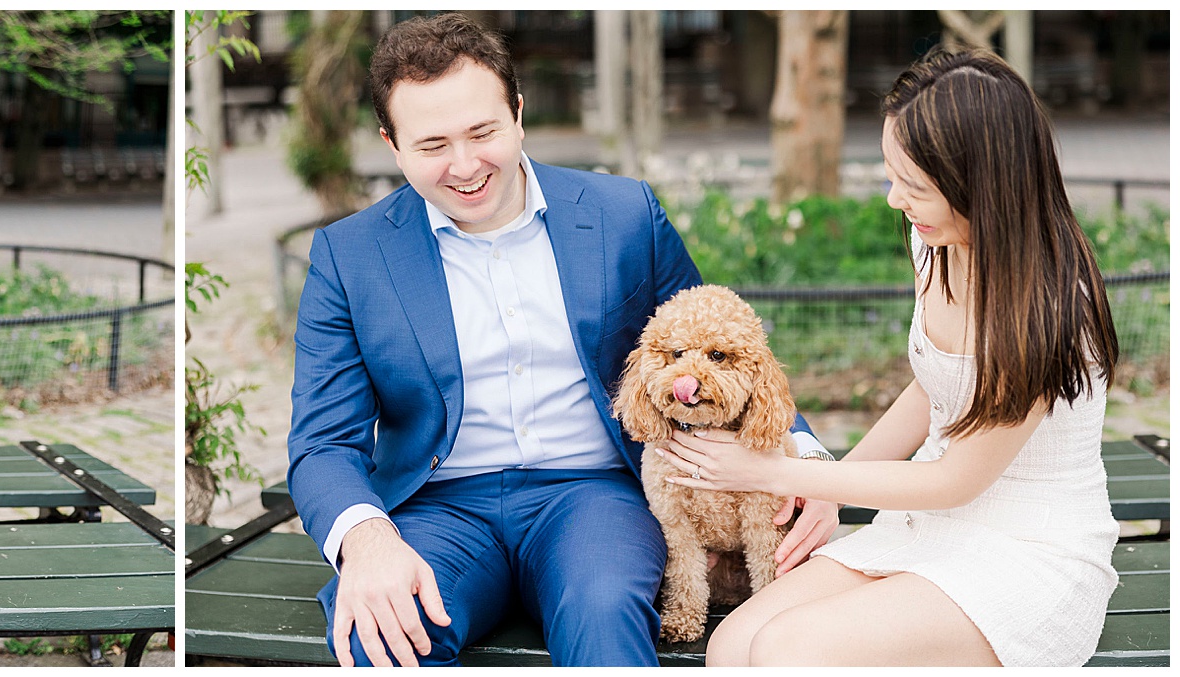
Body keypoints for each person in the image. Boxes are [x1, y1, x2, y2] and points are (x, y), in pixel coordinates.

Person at [285, 13, 840, 668]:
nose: (465, 166)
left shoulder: (625, 214)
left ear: (518, 113)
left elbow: (720, 347)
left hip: (593, 496)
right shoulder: (349, 255)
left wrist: (805, 458)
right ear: (391, 142)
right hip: (437, 509)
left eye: (483, 132)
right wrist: (367, 540)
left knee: (605, 612)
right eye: (432, 145)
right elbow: (322, 440)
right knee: (382, 632)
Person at [671, 48, 1121, 667]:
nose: (892, 200)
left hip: (1028, 548)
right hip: (929, 526)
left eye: (913, 186)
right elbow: (934, 387)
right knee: (732, 647)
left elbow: (954, 480)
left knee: (787, 649)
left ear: (981, 186)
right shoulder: (935, 241)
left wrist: (776, 472)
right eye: (890, 174)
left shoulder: (1046, 307)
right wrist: (830, 491)